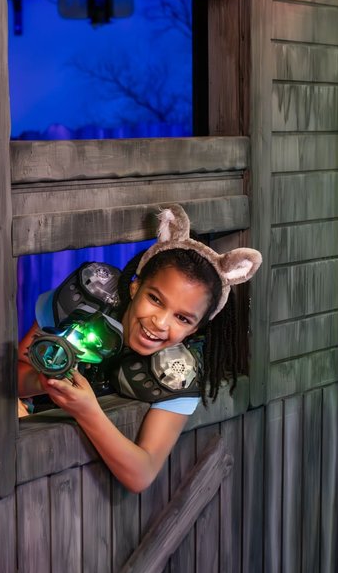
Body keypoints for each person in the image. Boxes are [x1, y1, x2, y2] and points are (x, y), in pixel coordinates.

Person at [18, 204, 261, 492]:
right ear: (135, 287)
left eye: (182, 318)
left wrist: (87, 411)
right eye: (155, 299)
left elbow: (142, 474)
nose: (159, 322)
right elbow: (13, 379)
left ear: (195, 329)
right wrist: (45, 380)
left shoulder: (177, 372)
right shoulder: (86, 299)